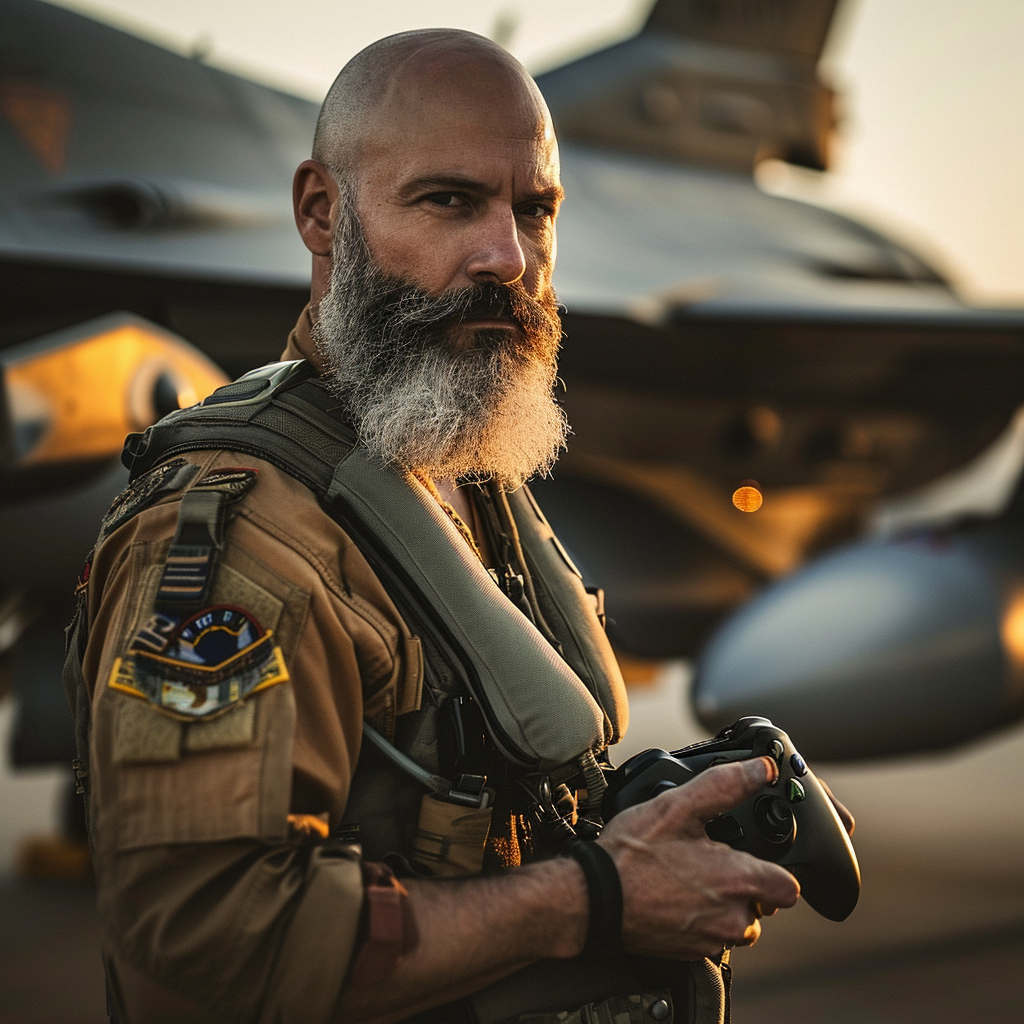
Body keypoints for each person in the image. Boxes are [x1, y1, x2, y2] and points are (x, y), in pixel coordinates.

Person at [65, 29, 809, 1024]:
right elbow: (202, 948)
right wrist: (597, 897)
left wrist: (658, 814)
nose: (508, 256)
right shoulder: (240, 540)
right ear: (322, 213)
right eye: (449, 200)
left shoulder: (453, 463)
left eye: (534, 209)